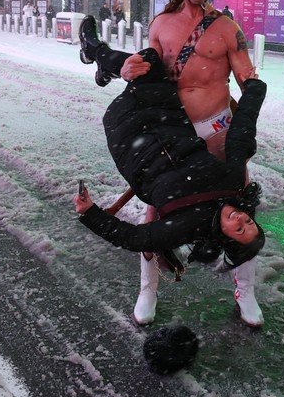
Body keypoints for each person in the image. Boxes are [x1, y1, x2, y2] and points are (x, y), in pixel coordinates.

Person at [89, 0, 263, 327]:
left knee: (240, 211)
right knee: (156, 211)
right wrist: (127, 69)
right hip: (171, 137)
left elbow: (246, 76)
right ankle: (148, 288)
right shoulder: (161, 26)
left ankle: (245, 290)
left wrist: (253, 94)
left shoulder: (227, 28)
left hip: (219, 133)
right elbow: (146, 71)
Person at [73, 36, 266, 296]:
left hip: (127, 134)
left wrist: (89, 213)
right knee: (147, 59)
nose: (241, 219)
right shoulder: (232, 184)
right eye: (249, 223)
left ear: (225, 237)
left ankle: (99, 56)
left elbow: (133, 238)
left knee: (139, 66)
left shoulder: (186, 227)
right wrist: (254, 90)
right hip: (165, 116)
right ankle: (99, 55)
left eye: (239, 229)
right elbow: (241, 134)